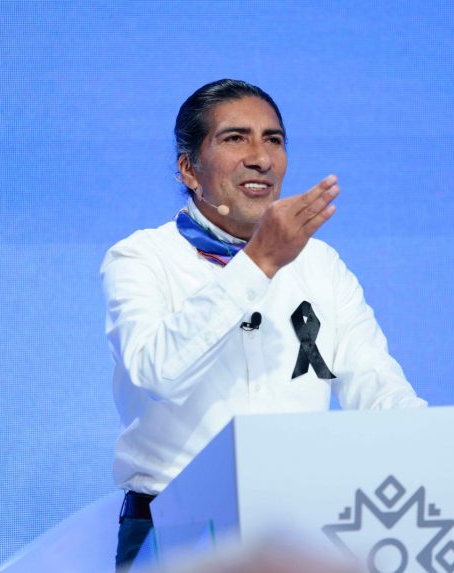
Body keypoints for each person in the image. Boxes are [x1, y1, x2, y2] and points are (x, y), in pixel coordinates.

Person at [101, 79, 427, 570]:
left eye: (273, 140)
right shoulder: (141, 258)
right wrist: (258, 264)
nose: (261, 158)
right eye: (235, 138)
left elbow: (377, 385)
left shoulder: (321, 265)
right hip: (176, 528)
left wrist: (436, 447)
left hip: (299, 528)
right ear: (189, 168)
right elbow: (157, 374)